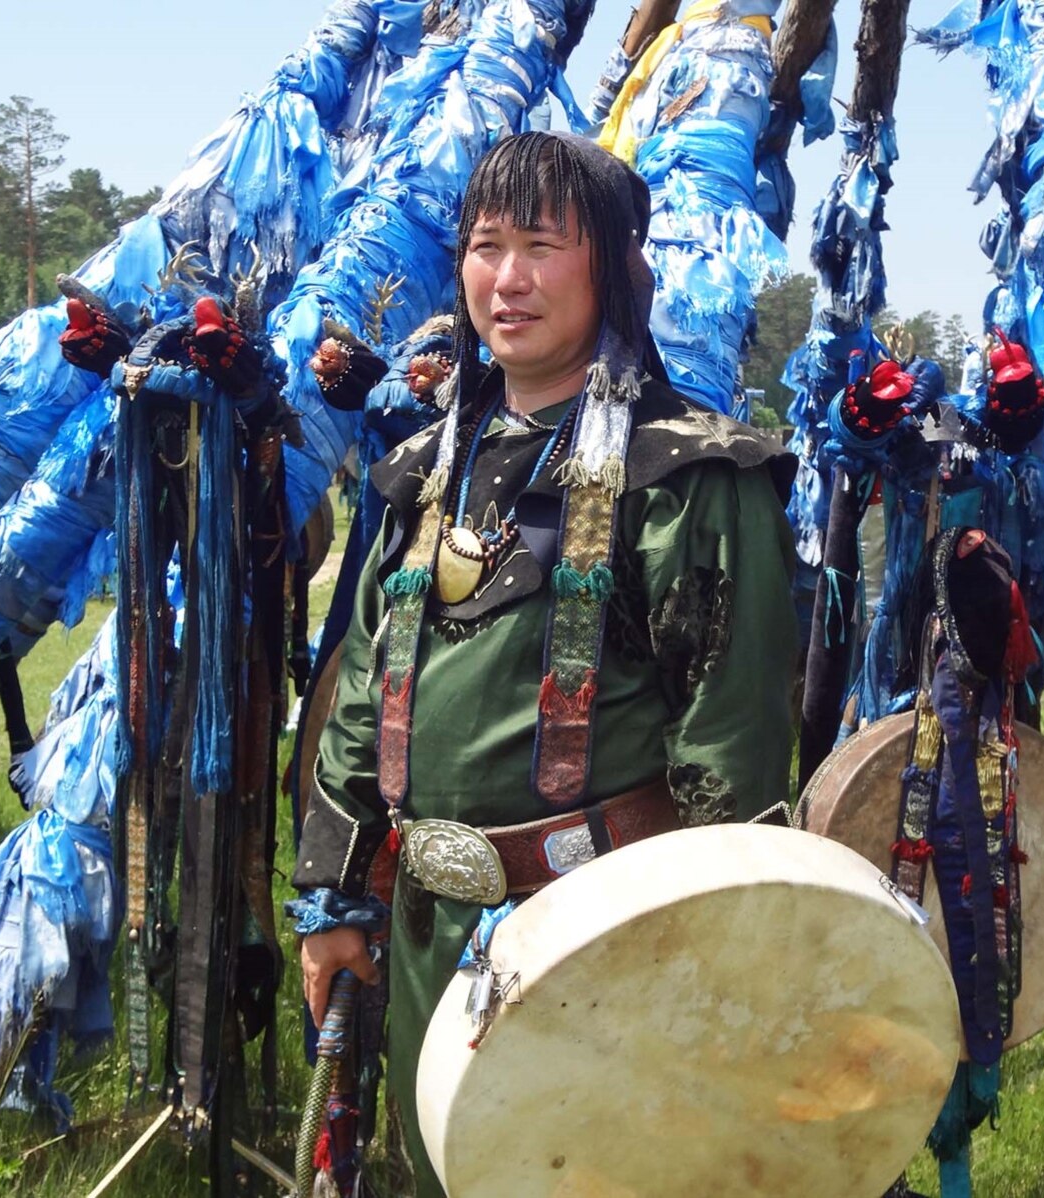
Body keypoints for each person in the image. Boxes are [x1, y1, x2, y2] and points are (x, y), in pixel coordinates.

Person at [289, 130, 798, 1193]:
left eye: (539, 245)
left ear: (607, 265)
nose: (506, 278)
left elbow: (730, 745)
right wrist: (333, 903)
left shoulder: (691, 476)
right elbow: (360, 694)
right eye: (483, 246)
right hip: (424, 940)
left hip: (606, 938)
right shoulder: (421, 472)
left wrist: (708, 962)